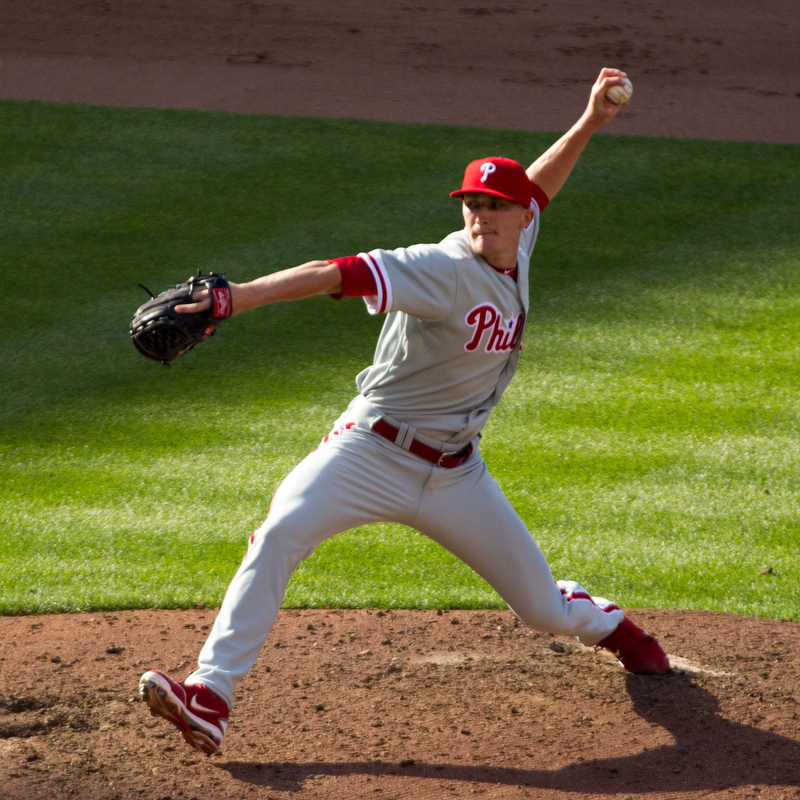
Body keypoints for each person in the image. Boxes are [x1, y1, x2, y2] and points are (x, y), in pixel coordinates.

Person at [139, 67, 670, 756]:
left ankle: (613, 627)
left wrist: (591, 121)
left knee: (541, 609)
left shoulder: (521, 237)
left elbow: (538, 185)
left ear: (520, 218)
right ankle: (211, 694)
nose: (480, 216)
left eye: (494, 206)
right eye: (471, 204)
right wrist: (236, 297)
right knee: (277, 535)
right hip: (368, 453)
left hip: (456, 476)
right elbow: (338, 272)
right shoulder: (441, 267)